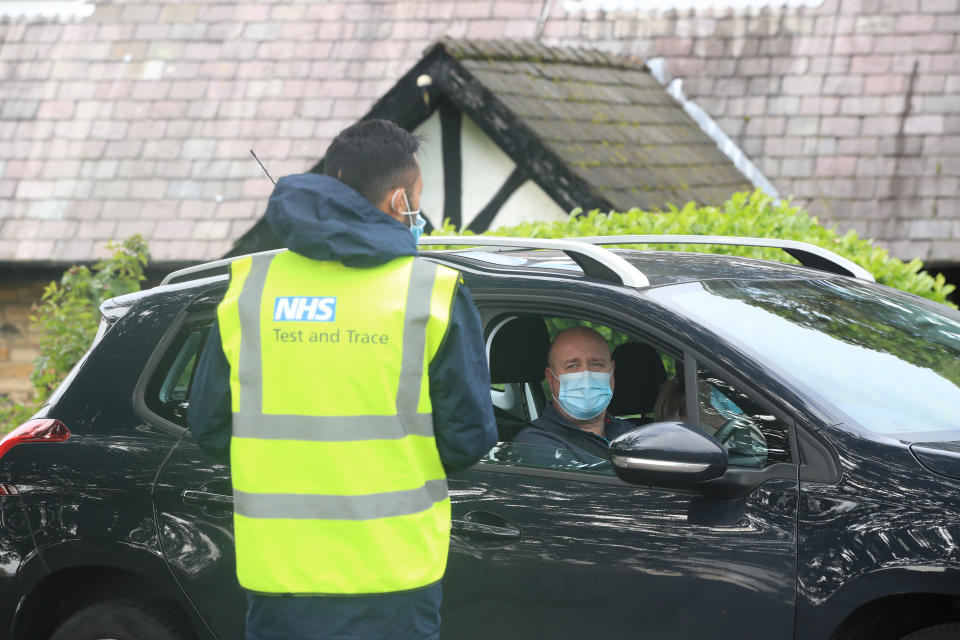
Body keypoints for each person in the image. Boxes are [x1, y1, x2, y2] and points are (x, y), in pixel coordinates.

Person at [187, 118, 498, 640]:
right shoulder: (431, 292)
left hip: (280, 578)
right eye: (419, 196)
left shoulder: (250, 289)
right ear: (400, 200)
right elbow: (468, 437)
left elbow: (210, 428)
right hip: (393, 577)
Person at [513, 327, 634, 464]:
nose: (586, 375)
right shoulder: (536, 445)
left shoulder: (630, 432)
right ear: (551, 379)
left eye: (596, 364)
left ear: (612, 372)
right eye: (572, 366)